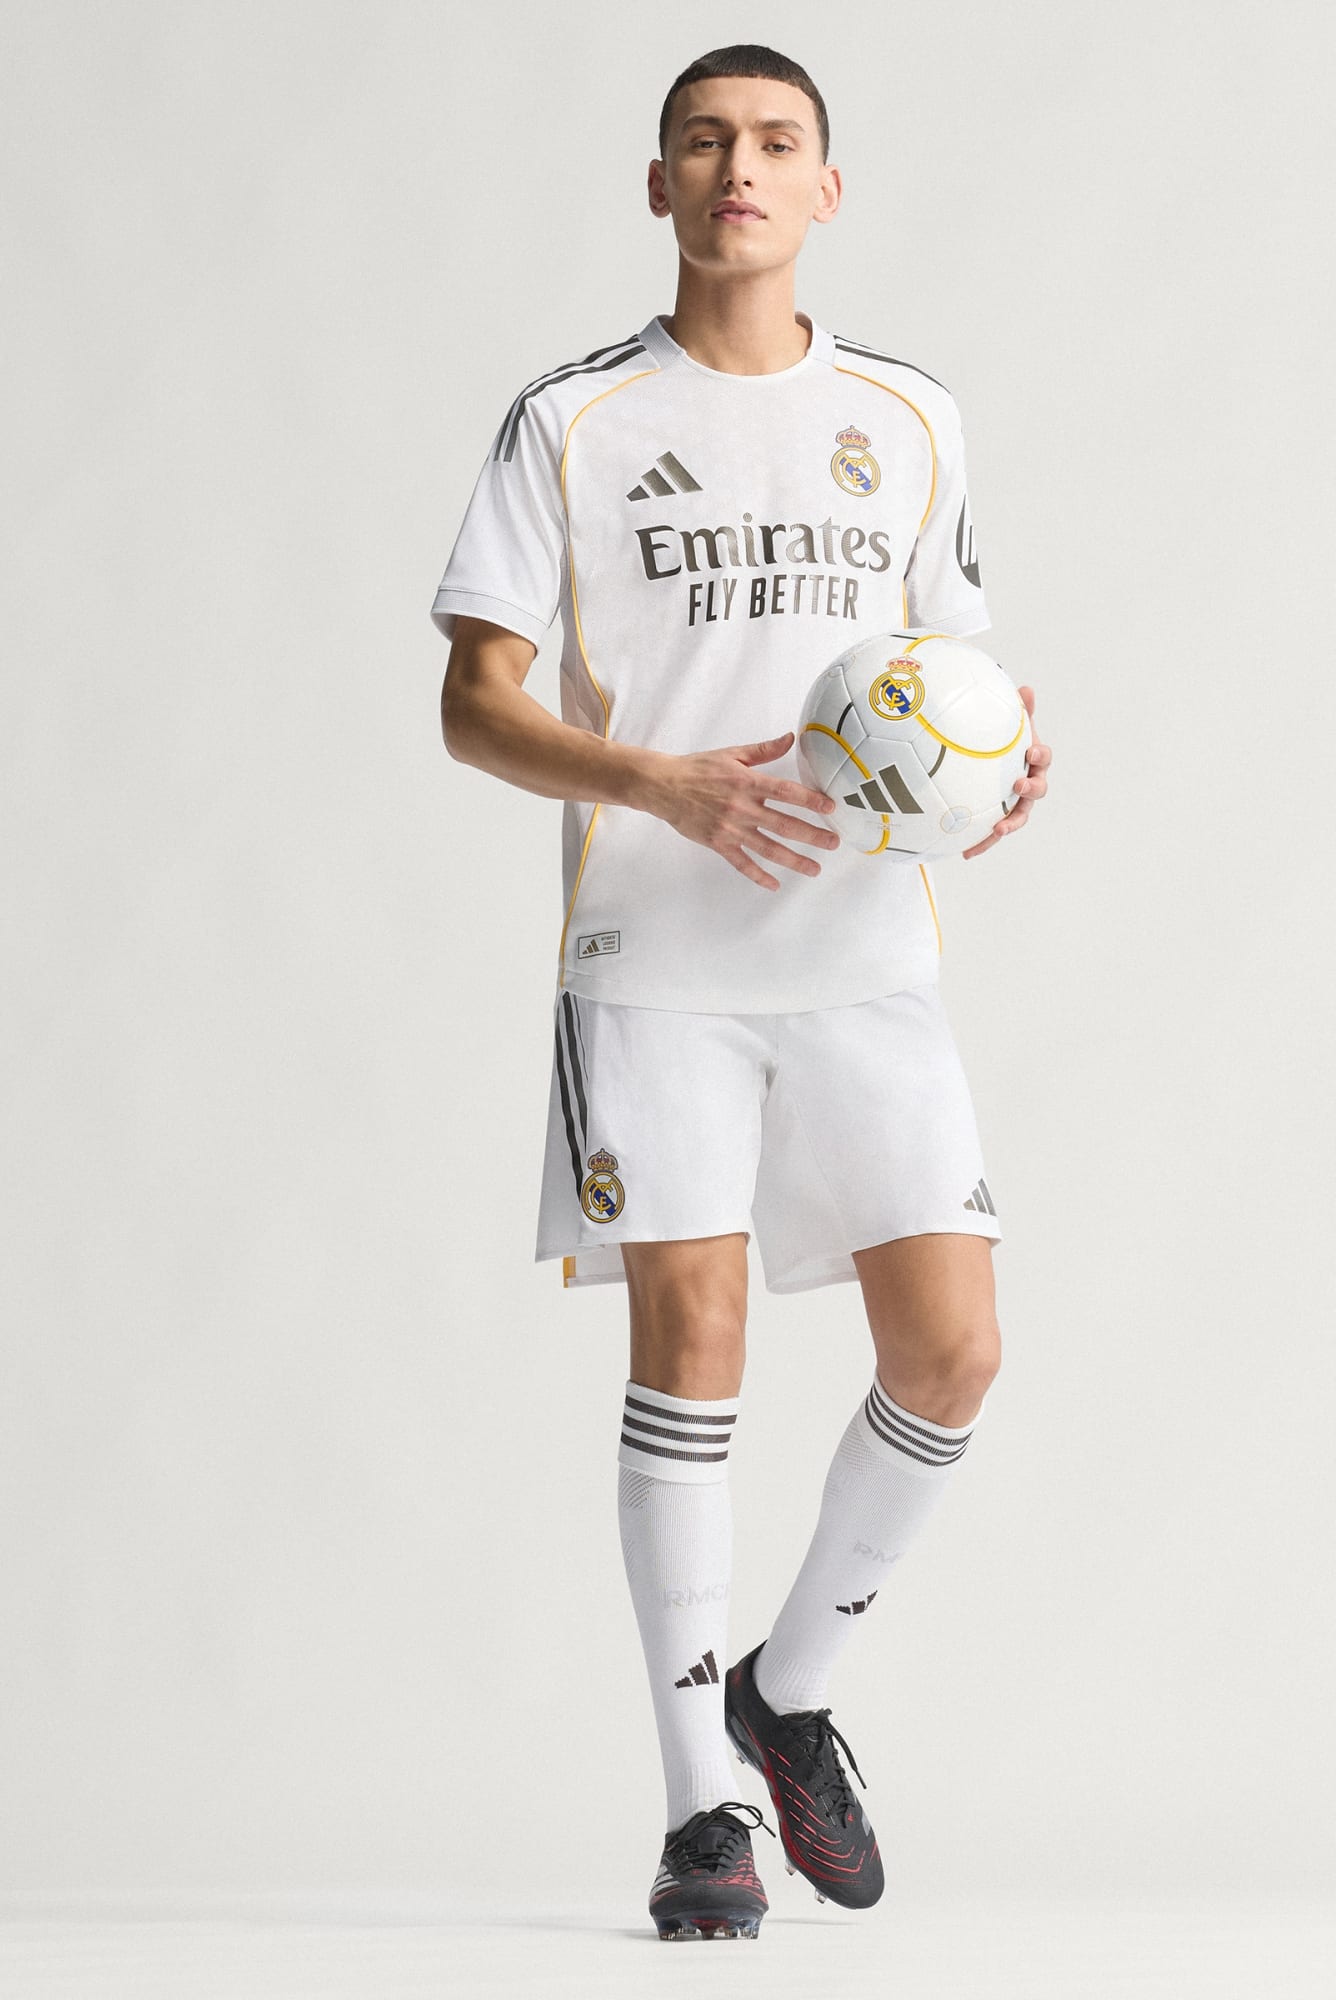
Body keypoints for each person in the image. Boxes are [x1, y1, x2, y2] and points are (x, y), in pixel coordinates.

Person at [429, 43, 1052, 1942]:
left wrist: (999, 760)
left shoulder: (909, 414)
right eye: (705, 141)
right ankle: (703, 1805)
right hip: (657, 957)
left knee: (953, 1353)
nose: (740, 170)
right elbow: (473, 706)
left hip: (862, 956)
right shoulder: (571, 421)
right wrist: (663, 786)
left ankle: (789, 1692)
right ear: (660, 185)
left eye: (777, 142)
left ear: (826, 189)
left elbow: (954, 671)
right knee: (692, 1336)